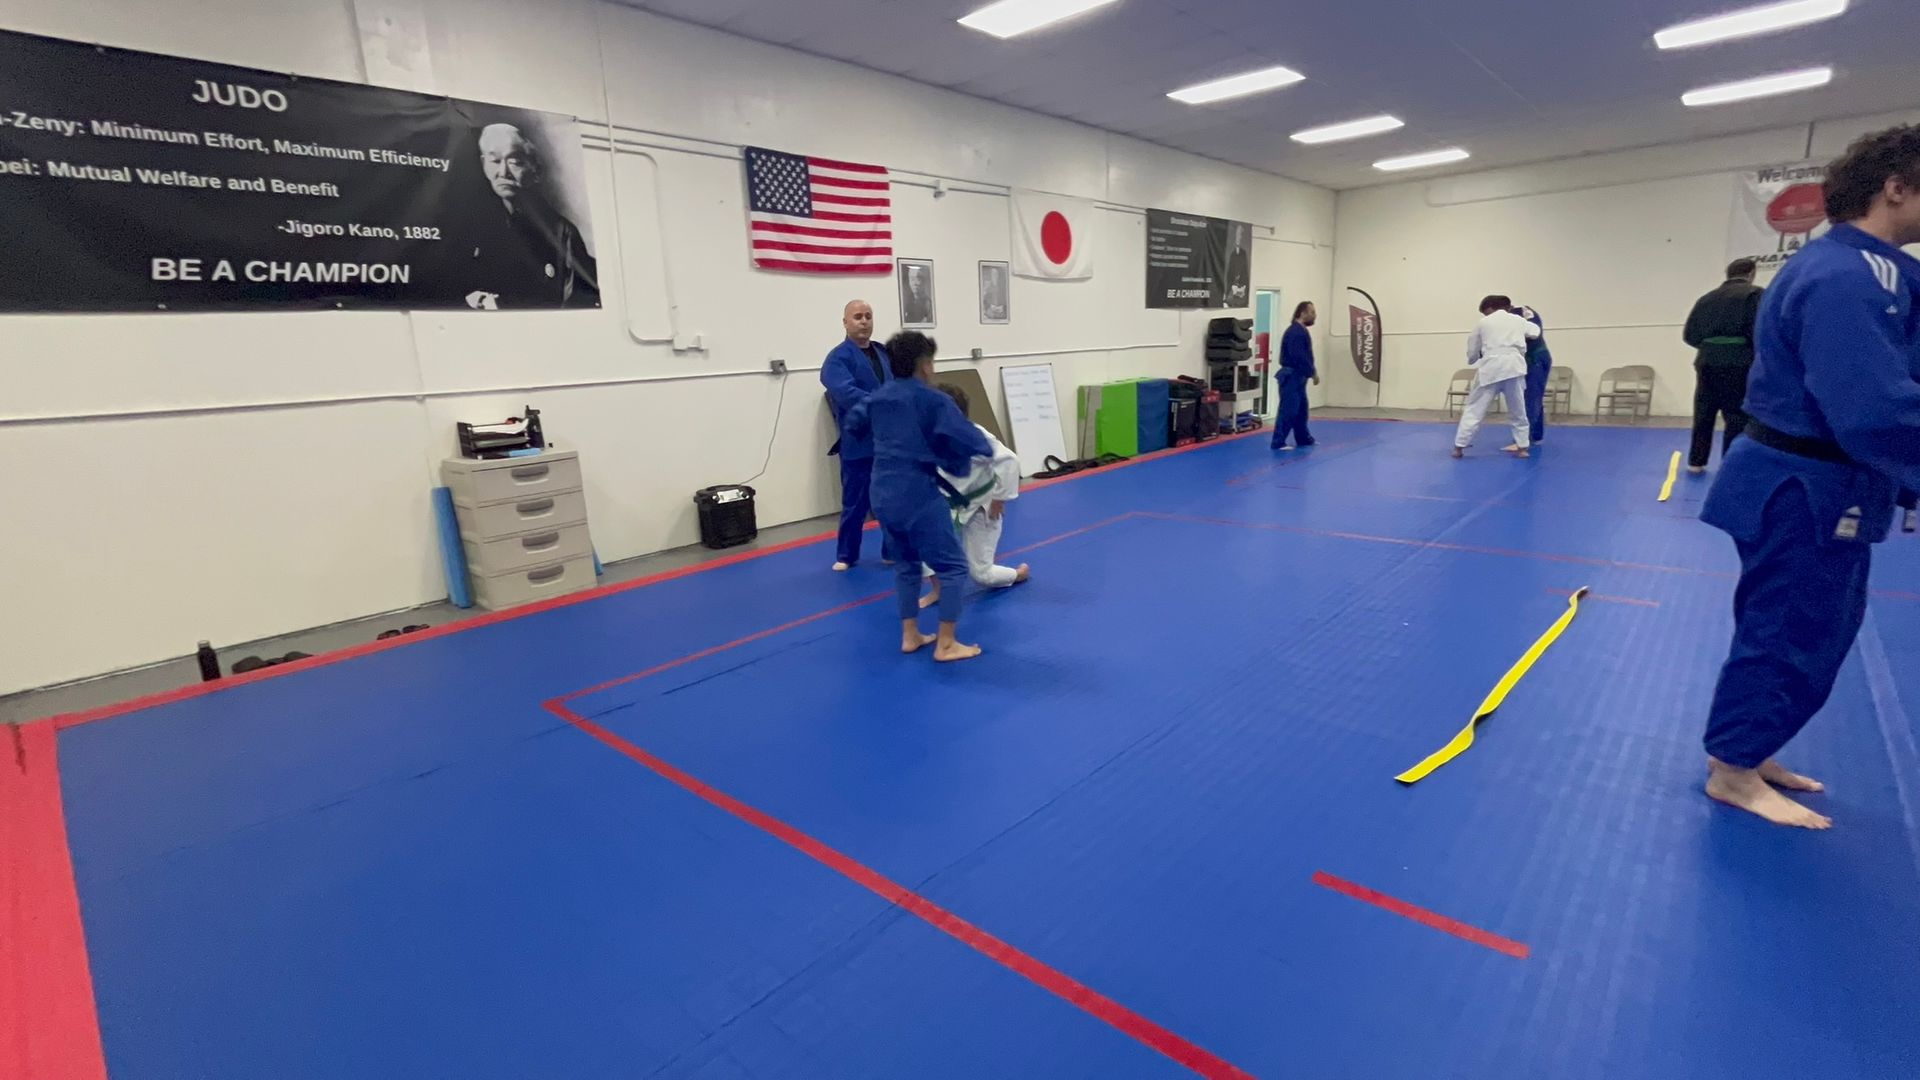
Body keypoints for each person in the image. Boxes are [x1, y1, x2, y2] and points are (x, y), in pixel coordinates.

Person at [1697, 124, 1920, 829]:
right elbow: (1872, 407)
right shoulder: (1845, 276)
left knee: (1807, 621)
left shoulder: (1860, 268)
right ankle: (1733, 769)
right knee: (1792, 624)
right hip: (1802, 486)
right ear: (1895, 186)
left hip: (1820, 483)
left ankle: (1749, 749)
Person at [845, 332, 992, 662]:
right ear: (925, 365)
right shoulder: (933, 400)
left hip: (881, 492)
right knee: (953, 568)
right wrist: (942, 449)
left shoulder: (878, 397)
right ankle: (947, 643)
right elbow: (975, 441)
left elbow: (853, 424)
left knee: (907, 566)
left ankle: (910, 635)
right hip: (916, 494)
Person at [463, 123, 598, 310]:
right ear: (483, 163)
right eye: (495, 161)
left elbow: (578, 303)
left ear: (535, 169)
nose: (503, 173)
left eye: (515, 162)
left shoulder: (562, 233)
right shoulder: (471, 226)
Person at [920, 385, 1029, 609]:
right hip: (947, 504)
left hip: (983, 504)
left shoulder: (975, 437)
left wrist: (1000, 497)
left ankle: (1017, 575)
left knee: (981, 574)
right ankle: (939, 590)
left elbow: (1009, 461)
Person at [820, 300, 895, 571]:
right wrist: (883, 402)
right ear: (845, 322)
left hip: (889, 441)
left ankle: (891, 550)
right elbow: (845, 392)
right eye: (857, 317)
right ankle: (846, 555)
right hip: (859, 441)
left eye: (868, 316)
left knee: (890, 500)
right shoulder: (837, 358)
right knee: (855, 503)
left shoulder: (884, 352)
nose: (864, 321)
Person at [1682, 258, 1766, 473]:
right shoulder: (1754, 294)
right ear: (1751, 273)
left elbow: (1690, 335)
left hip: (1706, 361)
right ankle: (1730, 463)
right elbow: (1759, 331)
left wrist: (1711, 347)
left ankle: (1696, 462)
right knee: (1736, 414)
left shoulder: (1706, 299)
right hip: (1738, 362)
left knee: (1704, 411)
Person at [1452, 295, 1540, 458]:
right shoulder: (1517, 320)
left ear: (1492, 308)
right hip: (1514, 366)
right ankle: (1522, 448)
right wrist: (1527, 319)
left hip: (1491, 367)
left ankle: (1459, 447)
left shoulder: (1483, 323)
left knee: (1475, 408)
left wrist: (1472, 358)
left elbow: (1473, 345)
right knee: (1518, 410)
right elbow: (1535, 333)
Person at [1271, 301, 1319, 450]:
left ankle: (1303, 438)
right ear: (1303, 313)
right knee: (1289, 409)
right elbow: (1299, 356)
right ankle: (1278, 442)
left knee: (1301, 409)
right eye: (1312, 312)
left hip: (1299, 376)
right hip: (1291, 375)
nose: (1314, 315)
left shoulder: (1300, 330)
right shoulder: (1295, 332)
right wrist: (1312, 372)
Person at [1512, 302, 1553, 444]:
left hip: (1536, 359)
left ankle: (1524, 440)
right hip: (1531, 360)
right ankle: (1535, 436)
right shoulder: (1518, 314)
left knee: (1531, 398)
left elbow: (1534, 334)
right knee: (1532, 398)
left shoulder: (1522, 312)